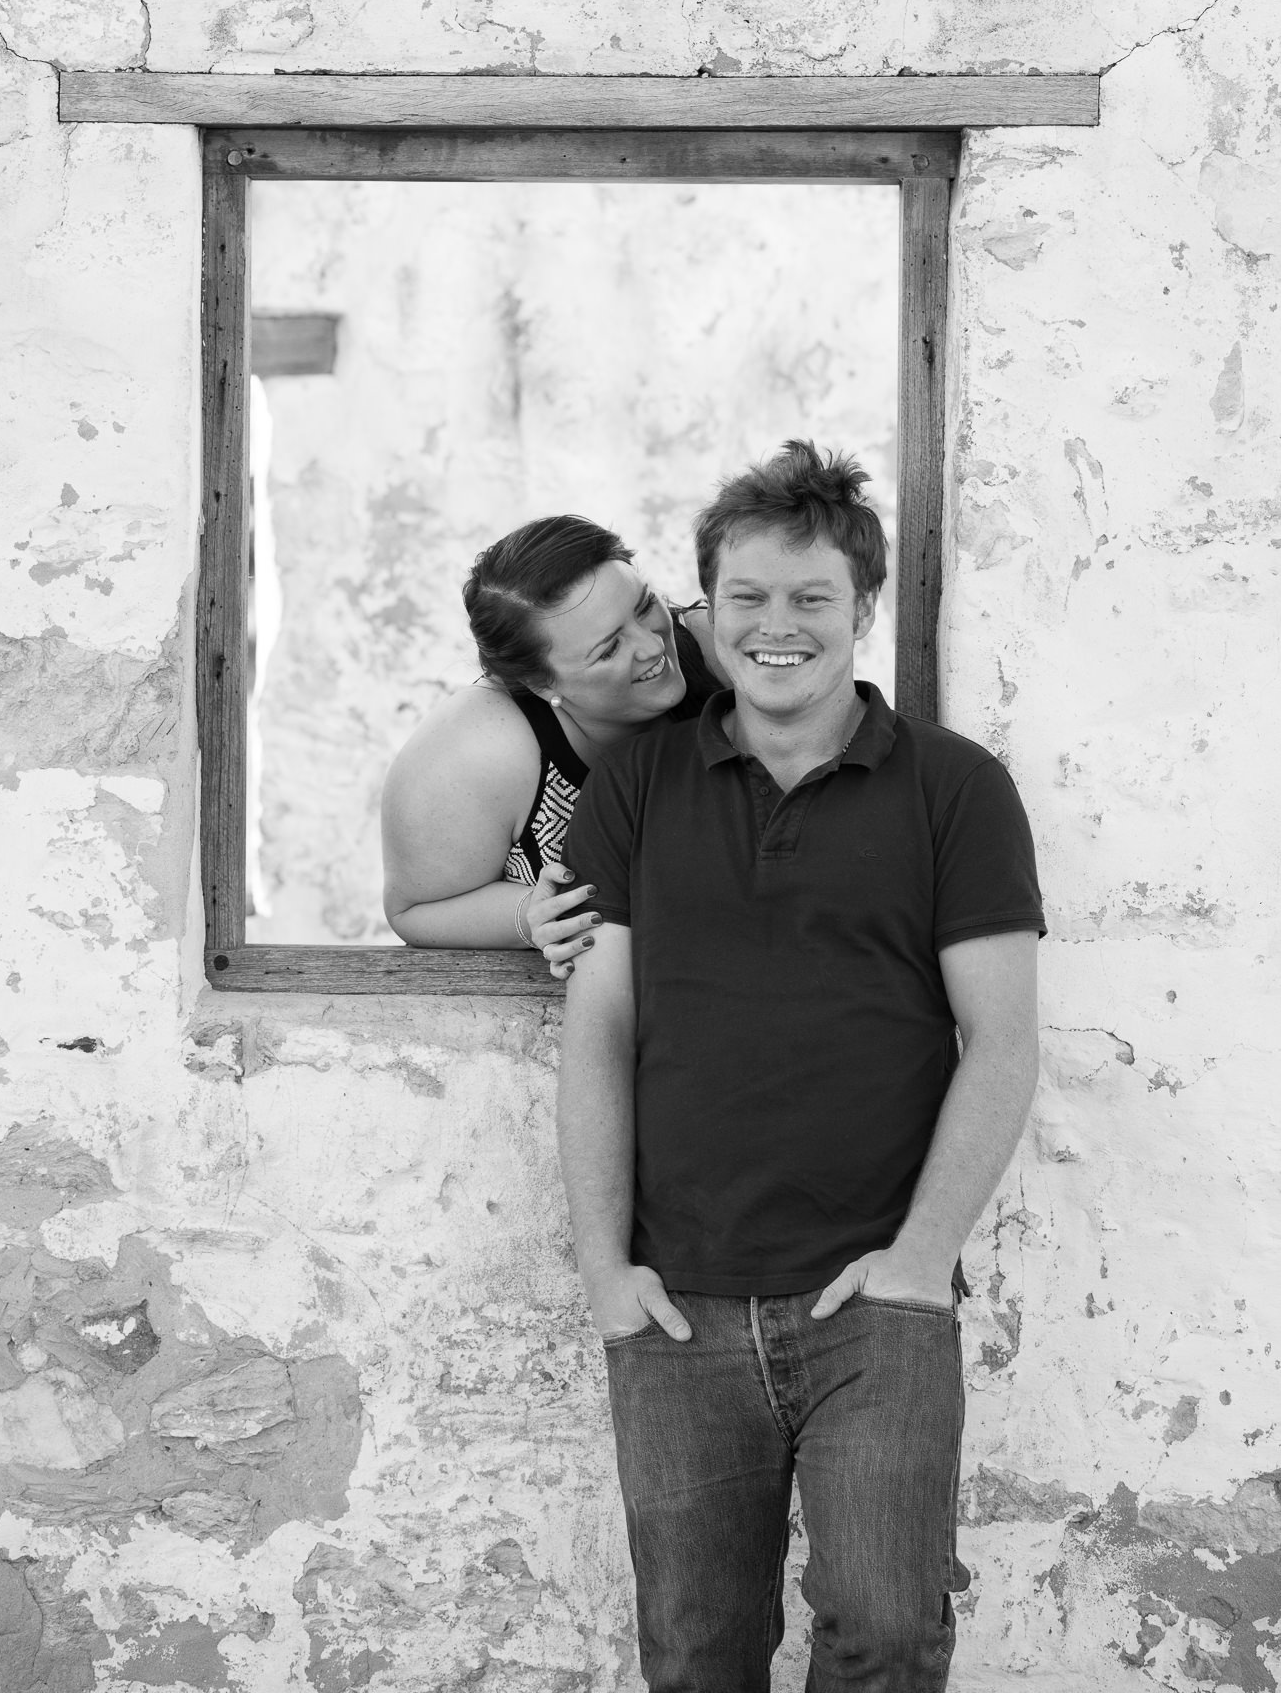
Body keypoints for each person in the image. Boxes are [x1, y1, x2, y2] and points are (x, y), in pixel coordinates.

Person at [559, 440, 1044, 1693]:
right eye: (748, 600)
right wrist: (607, 1274)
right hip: (676, 1311)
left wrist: (919, 1260)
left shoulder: (954, 789)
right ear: (705, 612)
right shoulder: (636, 781)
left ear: (862, 610)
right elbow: (598, 1032)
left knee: (885, 1636)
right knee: (694, 1654)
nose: (777, 627)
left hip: (870, 1305)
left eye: (810, 598)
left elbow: (1000, 1039)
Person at [381, 515, 722, 967]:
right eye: (609, 649)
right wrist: (529, 916)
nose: (652, 646)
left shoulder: (720, 650)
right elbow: (414, 910)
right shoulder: (476, 750)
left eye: (643, 607)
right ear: (541, 684)